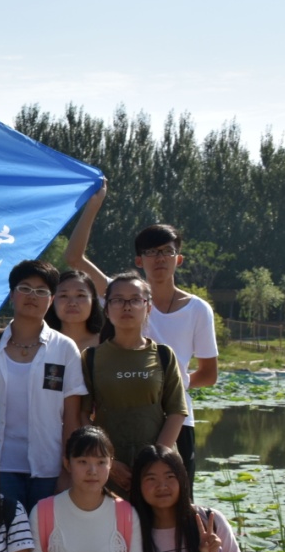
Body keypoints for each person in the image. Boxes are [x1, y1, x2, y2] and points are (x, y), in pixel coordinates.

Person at [64, 182, 219, 478]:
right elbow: (74, 259)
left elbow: (209, 374)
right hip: (117, 421)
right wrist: (93, 204)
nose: (159, 258)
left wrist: (167, 384)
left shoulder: (197, 309)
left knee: (172, 498)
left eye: (167, 251)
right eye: (151, 252)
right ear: (139, 260)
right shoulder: (123, 295)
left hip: (175, 421)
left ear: (178, 259)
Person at [0, 259, 86, 510]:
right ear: (12, 295)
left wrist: (69, 468)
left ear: (51, 299)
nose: (32, 296)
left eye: (41, 291)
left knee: (45, 532)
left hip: (48, 467)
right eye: (25, 288)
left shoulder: (64, 348)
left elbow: (71, 416)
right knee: (4, 532)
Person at [82, 272, 186, 494]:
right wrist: (107, 462)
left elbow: (176, 412)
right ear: (107, 309)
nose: (126, 307)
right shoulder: (90, 357)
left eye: (135, 300)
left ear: (148, 307)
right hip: (108, 470)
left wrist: (154, 463)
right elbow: (82, 415)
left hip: (159, 471)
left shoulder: (164, 355)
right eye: (118, 300)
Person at [45, 269, 104, 352]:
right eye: (64, 296)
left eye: (80, 295)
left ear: (93, 300)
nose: (72, 303)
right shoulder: (40, 345)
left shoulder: (107, 345)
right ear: (52, 301)